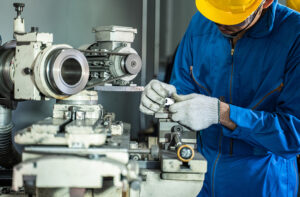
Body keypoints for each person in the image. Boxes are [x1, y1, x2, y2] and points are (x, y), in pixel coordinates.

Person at [139, 0, 300, 196]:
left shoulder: (295, 35)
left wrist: (223, 114)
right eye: (215, 14)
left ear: (264, 3)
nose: (219, 24)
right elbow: (183, 87)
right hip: (200, 177)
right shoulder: (201, 22)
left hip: (261, 181)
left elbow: (294, 135)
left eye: (232, 19)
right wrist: (165, 97)